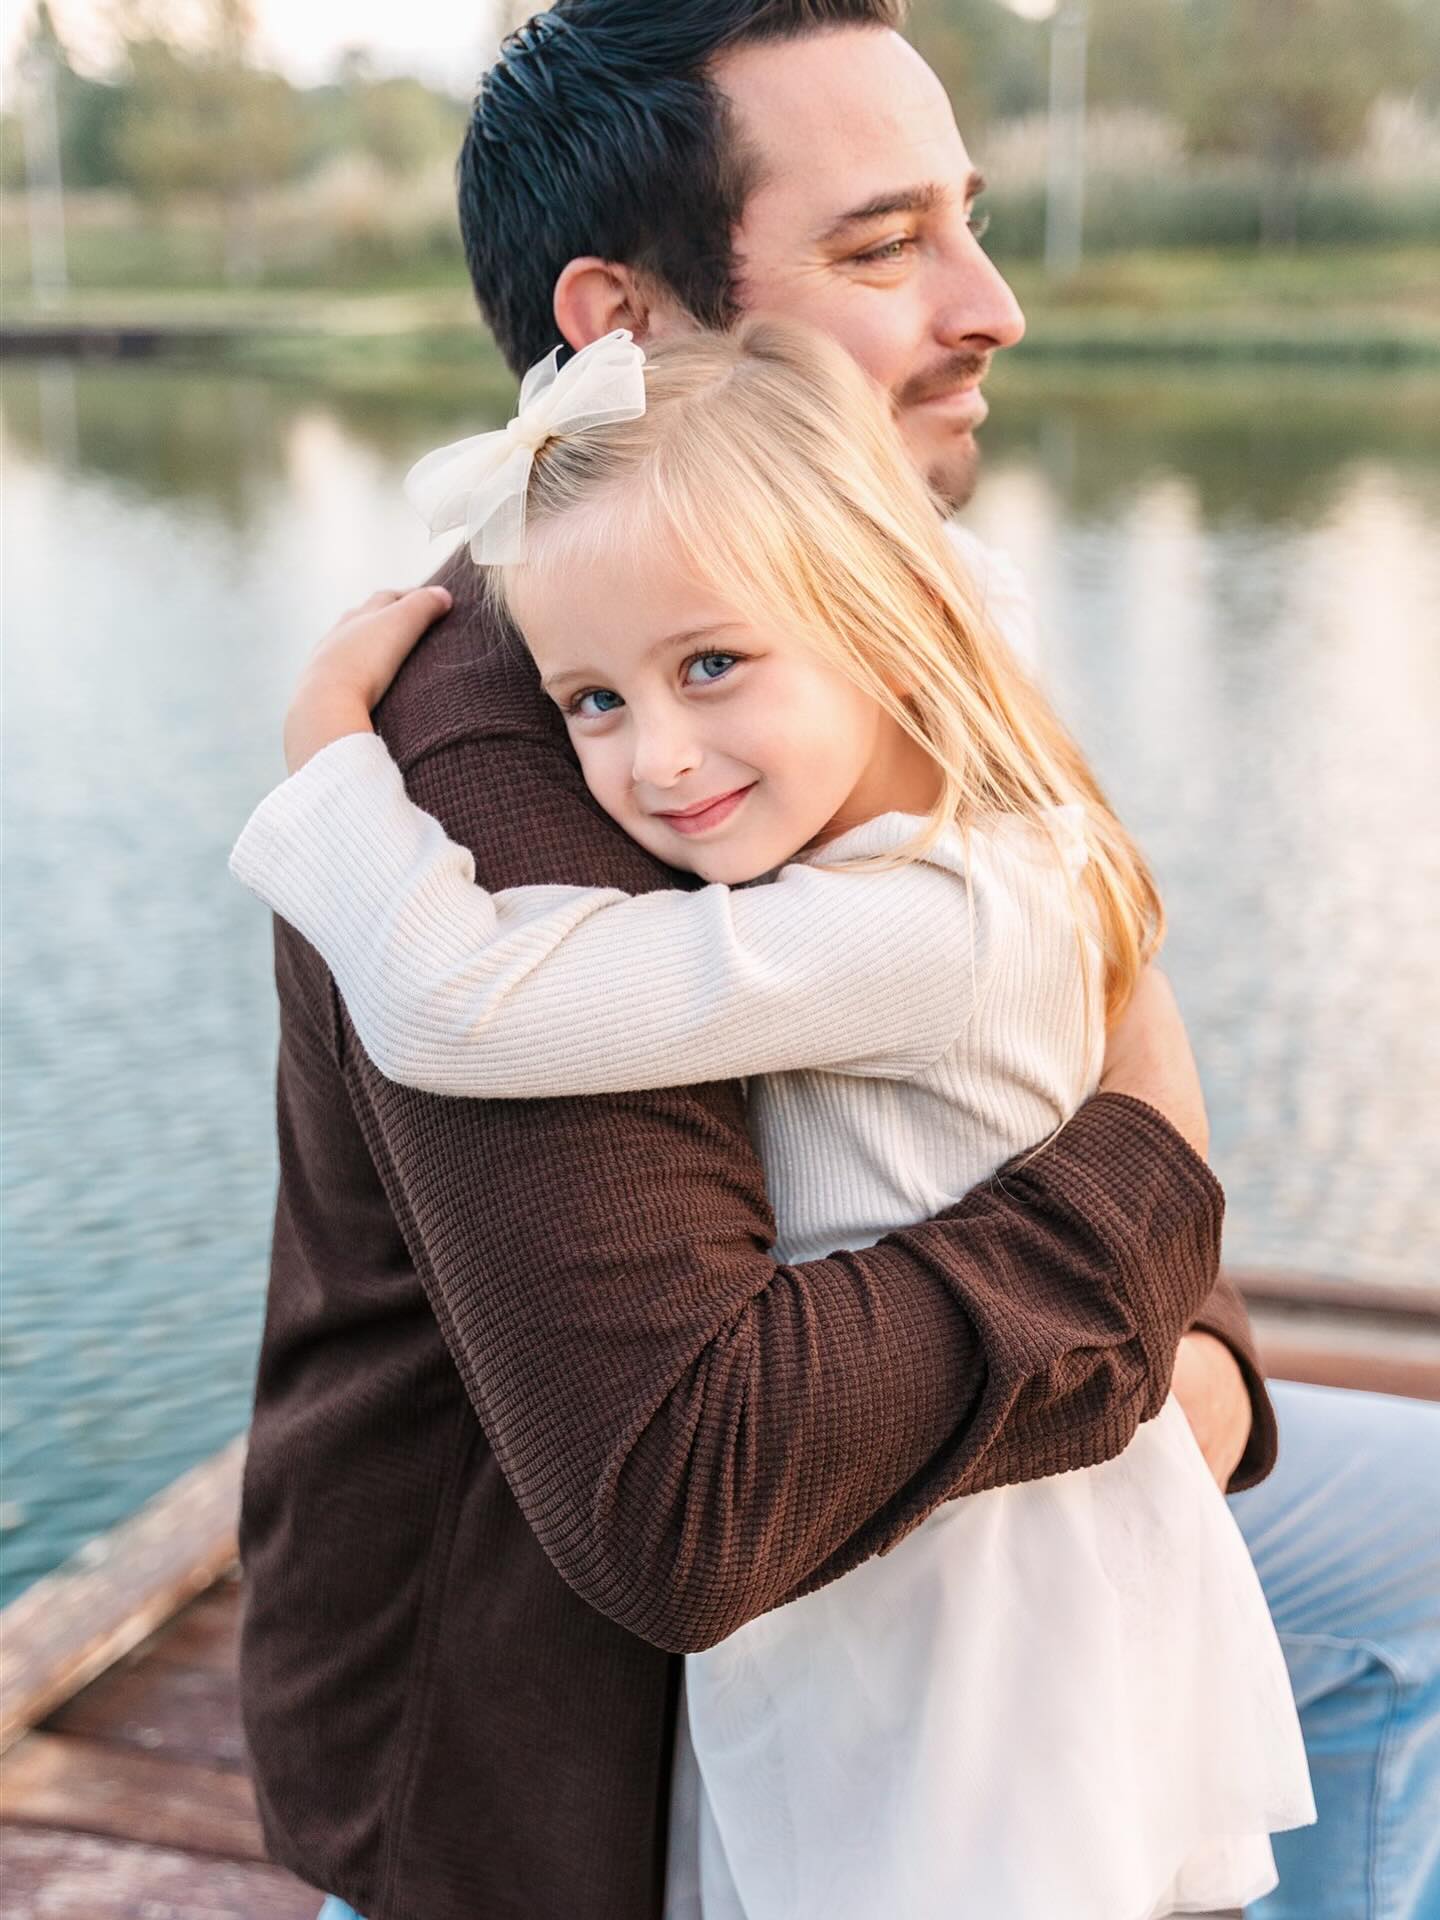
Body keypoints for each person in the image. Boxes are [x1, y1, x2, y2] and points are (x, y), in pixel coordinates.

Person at [236, 6, 1439, 1918]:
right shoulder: (522, 748)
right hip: (579, 1752)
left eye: (969, 220)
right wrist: (1146, 1212)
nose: (993, 304)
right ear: (622, 329)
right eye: (884, 247)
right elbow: (695, 1508)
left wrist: (1169, 1336)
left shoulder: (868, 614)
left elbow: (1070, 1028)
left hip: (978, 1521)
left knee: (1412, 1560)